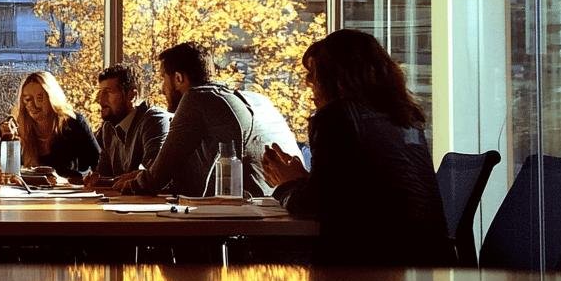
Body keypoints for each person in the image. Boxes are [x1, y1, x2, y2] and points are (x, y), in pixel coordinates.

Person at [262, 29, 453, 267]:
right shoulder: (406, 118)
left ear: (333, 78)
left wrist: (287, 184)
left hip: (371, 266)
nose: (308, 83)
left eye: (313, 74)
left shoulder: (336, 117)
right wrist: (304, 180)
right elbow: (356, 193)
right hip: (430, 259)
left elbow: (314, 206)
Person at [116, 42, 298, 197]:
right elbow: (184, 176)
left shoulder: (197, 97)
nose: (162, 89)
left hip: (244, 223)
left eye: (163, 79)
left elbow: (156, 179)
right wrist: (143, 175)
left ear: (178, 78)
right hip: (280, 211)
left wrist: (128, 186)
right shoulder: (253, 99)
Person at [0, 71, 99, 183]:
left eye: (39, 98)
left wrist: (77, 180)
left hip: (67, 196)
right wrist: (7, 141)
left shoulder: (73, 123)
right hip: (22, 195)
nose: (32, 105)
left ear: (53, 98)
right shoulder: (12, 127)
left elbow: (97, 165)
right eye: (27, 99)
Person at [84, 63, 171, 187]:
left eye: (108, 92)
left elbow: (153, 176)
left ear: (132, 95)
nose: (100, 99)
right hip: (124, 203)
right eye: (100, 92)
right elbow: (102, 175)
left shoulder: (154, 121)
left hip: (152, 205)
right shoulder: (108, 128)